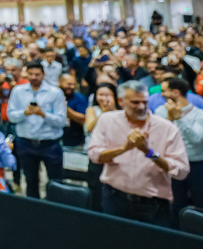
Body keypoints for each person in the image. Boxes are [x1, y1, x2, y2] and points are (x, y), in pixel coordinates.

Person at [88, 81, 190, 227]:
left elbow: (182, 171)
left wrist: (149, 152)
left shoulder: (167, 129)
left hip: (153, 205)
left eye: (144, 102)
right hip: (115, 197)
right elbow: (94, 154)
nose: (141, 107)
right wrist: (124, 149)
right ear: (121, 101)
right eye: (135, 102)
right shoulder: (107, 120)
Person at [7, 61, 67, 198]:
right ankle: (33, 208)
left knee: (56, 181)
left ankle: (55, 207)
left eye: (37, 74)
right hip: (26, 142)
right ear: (26, 74)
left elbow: (61, 120)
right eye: (31, 74)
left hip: (49, 143)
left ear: (43, 75)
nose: (34, 77)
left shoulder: (55, 93)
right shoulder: (18, 91)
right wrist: (25, 113)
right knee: (30, 180)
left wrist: (43, 114)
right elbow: (11, 116)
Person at [155, 78, 203, 226]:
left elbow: (197, 139)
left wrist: (180, 119)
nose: (162, 94)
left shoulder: (199, 115)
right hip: (172, 165)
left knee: (200, 202)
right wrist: (169, 120)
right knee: (175, 203)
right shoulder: (161, 111)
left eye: (164, 91)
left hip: (196, 166)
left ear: (175, 93)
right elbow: (158, 138)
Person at [84, 83, 120, 211]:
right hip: (97, 156)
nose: (104, 98)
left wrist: (112, 111)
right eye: (101, 95)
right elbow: (89, 127)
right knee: (96, 190)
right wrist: (104, 113)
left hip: (115, 156)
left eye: (108, 95)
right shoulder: (92, 110)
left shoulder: (120, 112)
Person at [60, 74, 87, 148]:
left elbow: (84, 119)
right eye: (69, 84)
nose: (72, 87)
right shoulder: (53, 96)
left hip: (75, 138)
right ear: (60, 82)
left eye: (73, 84)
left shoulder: (79, 98)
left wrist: (66, 109)